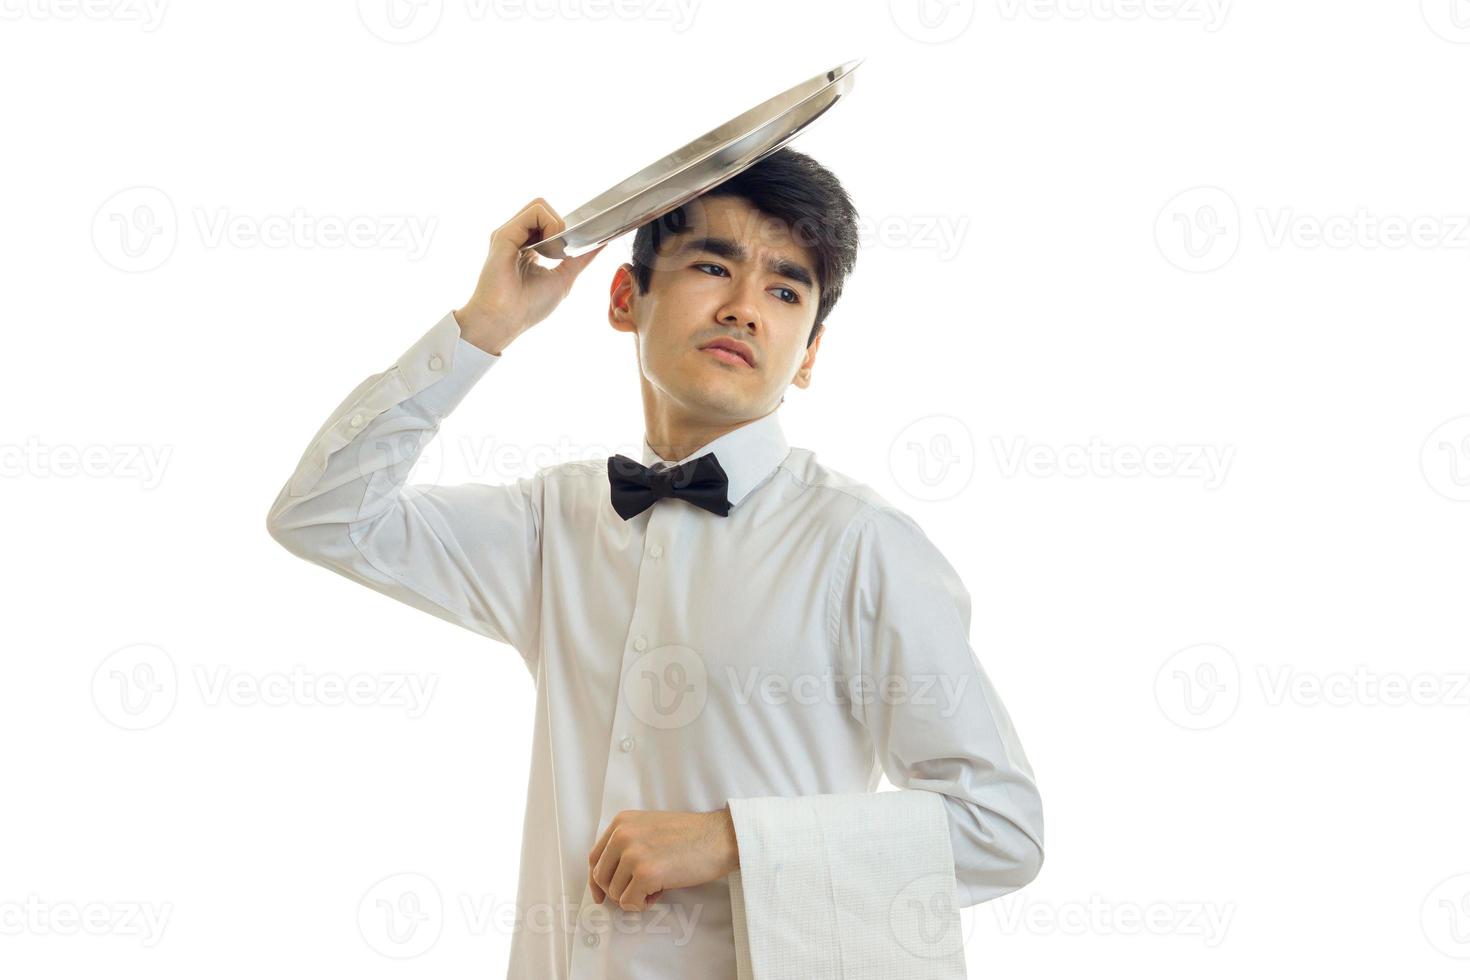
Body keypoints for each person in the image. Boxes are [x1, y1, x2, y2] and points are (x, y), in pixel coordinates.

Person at [265, 148, 1044, 979]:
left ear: (809, 354)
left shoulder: (863, 547)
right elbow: (322, 517)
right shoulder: (552, 523)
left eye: (785, 290)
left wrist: (732, 840)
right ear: (626, 298)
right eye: (714, 266)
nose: (746, 309)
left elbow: (1001, 828)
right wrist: (484, 328)